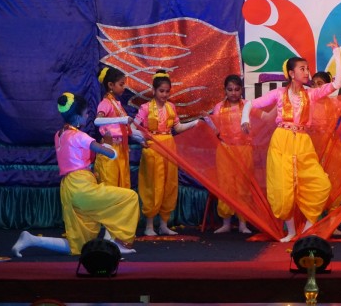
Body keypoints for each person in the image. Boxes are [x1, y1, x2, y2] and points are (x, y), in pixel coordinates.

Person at [241, 36, 341, 242]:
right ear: (291, 73)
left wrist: (337, 53)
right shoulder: (279, 94)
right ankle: (292, 232)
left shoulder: (311, 94)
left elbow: (338, 83)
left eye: (307, 68)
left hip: (303, 142)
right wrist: (244, 119)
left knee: (320, 184)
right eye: (302, 69)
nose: (307, 72)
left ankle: (309, 227)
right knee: (283, 188)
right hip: (282, 140)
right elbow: (250, 104)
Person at [12, 92, 139, 257]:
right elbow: (109, 153)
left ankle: (32, 240)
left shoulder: (59, 135)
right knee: (129, 198)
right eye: (85, 113)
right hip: (81, 186)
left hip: (68, 187)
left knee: (80, 245)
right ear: (78, 117)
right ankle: (118, 242)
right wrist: (109, 146)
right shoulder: (80, 136)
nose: (87, 116)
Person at [134, 70, 199, 236]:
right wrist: (142, 140)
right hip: (153, 148)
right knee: (153, 186)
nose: (164, 94)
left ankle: (164, 224)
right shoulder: (145, 108)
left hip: (169, 148)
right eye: (161, 91)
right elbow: (132, 128)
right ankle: (149, 226)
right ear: (154, 90)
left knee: (169, 185)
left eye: (167, 91)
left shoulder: (171, 107)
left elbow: (178, 128)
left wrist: (194, 123)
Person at [308, 71, 341, 236]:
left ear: (328, 86)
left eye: (320, 84)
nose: (316, 87)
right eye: (313, 84)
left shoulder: (335, 103)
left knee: (335, 182)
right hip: (312, 146)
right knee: (313, 183)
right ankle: (313, 223)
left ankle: (332, 223)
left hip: (332, 147)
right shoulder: (307, 102)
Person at [211, 74, 252, 234]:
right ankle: (226, 222)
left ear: (241, 90)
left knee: (243, 185)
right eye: (230, 89)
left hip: (244, 148)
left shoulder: (247, 105)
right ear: (225, 90)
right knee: (225, 184)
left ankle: (243, 223)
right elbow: (215, 130)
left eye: (236, 89)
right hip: (225, 149)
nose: (233, 93)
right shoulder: (219, 107)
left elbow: (255, 126)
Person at [93, 66, 143, 189]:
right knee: (111, 183)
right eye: (121, 84)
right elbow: (97, 121)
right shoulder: (105, 103)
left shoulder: (117, 104)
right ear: (111, 85)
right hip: (110, 147)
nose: (124, 87)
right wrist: (122, 119)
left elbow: (124, 130)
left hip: (121, 148)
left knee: (122, 183)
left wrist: (142, 138)